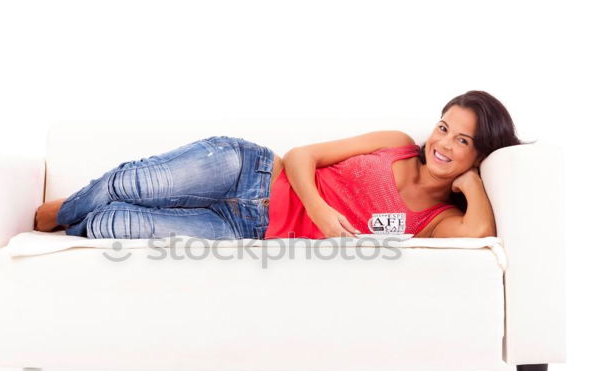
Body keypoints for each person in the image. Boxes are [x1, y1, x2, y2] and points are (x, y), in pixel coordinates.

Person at [34, 90, 523, 239]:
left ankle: (82, 218)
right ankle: (60, 212)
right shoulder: (395, 143)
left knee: (114, 223)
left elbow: (479, 232)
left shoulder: (437, 222)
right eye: (443, 127)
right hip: (248, 169)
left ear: (479, 152)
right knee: (130, 182)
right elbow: (301, 155)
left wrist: (474, 180)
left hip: (245, 229)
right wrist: (322, 214)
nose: (443, 144)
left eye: (464, 141)